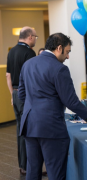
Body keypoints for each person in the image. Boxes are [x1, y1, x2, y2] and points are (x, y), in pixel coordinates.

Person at [18, 32, 87, 180]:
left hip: (29, 125)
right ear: (59, 48)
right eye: (67, 52)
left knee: (32, 172)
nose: (68, 57)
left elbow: (21, 95)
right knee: (56, 174)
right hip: (51, 128)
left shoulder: (28, 64)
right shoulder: (60, 69)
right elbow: (71, 101)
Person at [6, 26, 37, 175]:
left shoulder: (11, 51)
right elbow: (32, 77)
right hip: (26, 96)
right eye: (35, 37)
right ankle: (31, 167)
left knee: (20, 130)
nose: (36, 39)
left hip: (16, 94)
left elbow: (8, 76)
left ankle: (23, 166)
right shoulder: (30, 53)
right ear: (30, 37)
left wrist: (13, 95)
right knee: (29, 130)